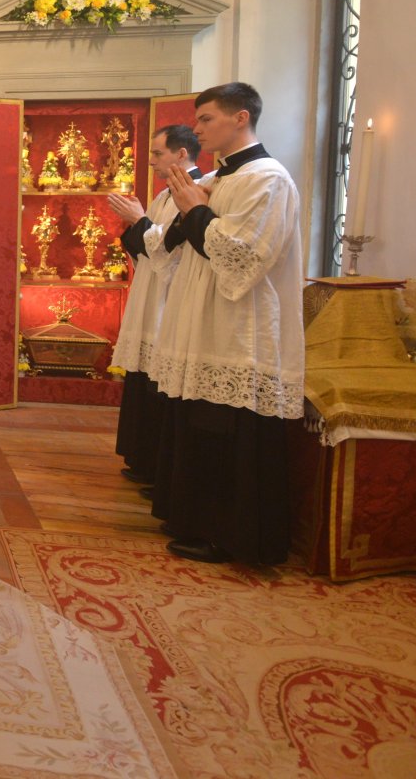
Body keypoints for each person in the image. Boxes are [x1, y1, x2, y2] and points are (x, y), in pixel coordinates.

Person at [148, 83, 304, 565]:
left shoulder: (268, 179)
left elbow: (244, 258)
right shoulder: (218, 177)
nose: (196, 129)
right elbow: (175, 249)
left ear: (241, 118)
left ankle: (236, 537)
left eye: (207, 119)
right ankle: (197, 521)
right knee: (202, 426)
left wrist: (196, 209)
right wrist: (189, 210)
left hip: (241, 326)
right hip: (204, 317)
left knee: (229, 431)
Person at [106, 125, 204, 491]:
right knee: (142, 379)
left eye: (158, 153)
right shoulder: (166, 194)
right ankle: (143, 459)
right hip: (149, 295)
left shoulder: (196, 191)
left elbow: (171, 252)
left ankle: (158, 470)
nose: (151, 161)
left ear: (182, 154)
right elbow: (148, 249)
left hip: (169, 300)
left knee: (160, 386)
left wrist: (139, 220)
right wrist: (137, 226)